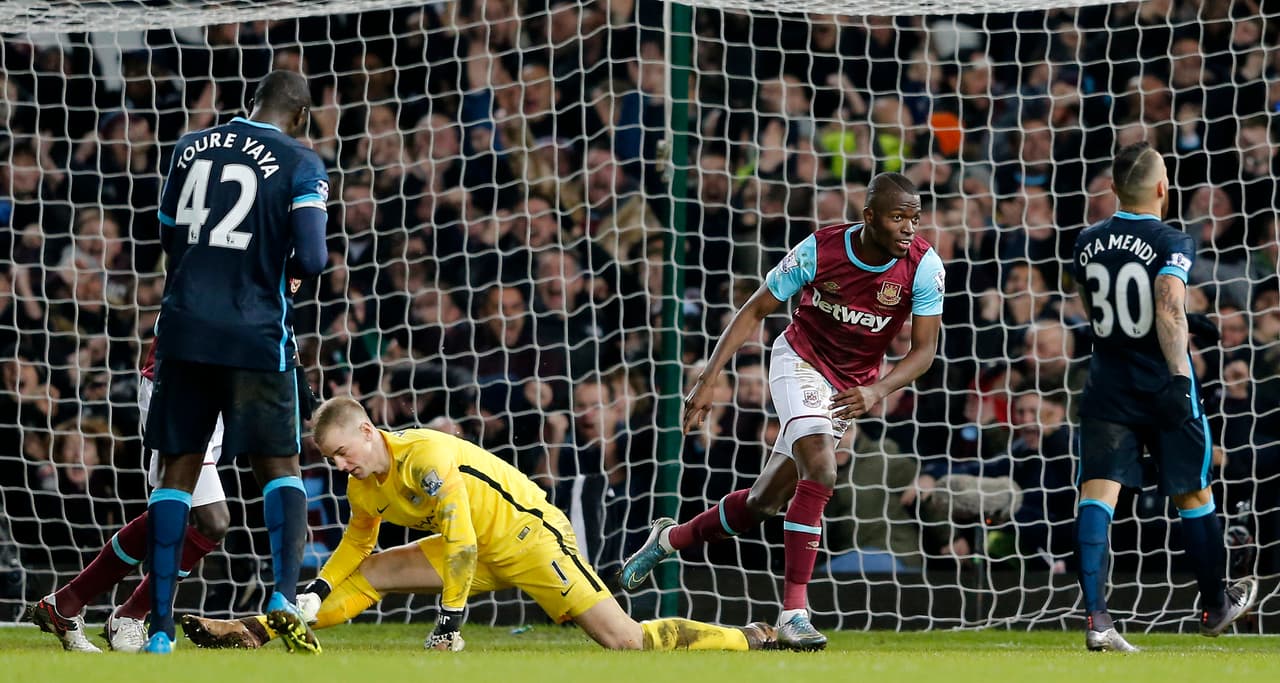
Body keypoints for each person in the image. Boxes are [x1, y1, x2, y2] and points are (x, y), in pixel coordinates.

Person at [620, 172, 945, 650]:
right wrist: (708, 379)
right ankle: (795, 613)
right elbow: (754, 309)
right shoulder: (820, 250)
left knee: (761, 503)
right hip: (800, 361)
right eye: (898, 218)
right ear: (869, 217)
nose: (909, 229)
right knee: (822, 466)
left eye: (915, 218)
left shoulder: (925, 266)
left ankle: (667, 540)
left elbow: (924, 350)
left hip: (851, 384)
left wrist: (878, 390)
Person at [179, 398, 777, 653]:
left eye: (343, 452)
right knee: (368, 572)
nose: (341, 465)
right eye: (332, 460)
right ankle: (258, 628)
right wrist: (314, 591)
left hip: (529, 540)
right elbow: (356, 542)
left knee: (625, 641)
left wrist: (449, 621)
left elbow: (462, 539)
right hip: (469, 550)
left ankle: (749, 637)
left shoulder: (427, 456)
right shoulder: (362, 482)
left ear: (368, 432)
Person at [141, 70, 329, 653]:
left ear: (251, 104)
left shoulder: (188, 147)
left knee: (179, 471)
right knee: (280, 464)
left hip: (184, 331)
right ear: (299, 115)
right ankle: (279, 594)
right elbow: (316, 257)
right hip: (254, 333)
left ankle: (161, 627)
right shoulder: (301, 162)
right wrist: (282, 270)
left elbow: (169, 236)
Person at [1070, 141, 1257, 652]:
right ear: (1162, 187)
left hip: (1108, 384)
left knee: (1098, 493)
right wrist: (1179, 377)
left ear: (1112, 189)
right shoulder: (1172, 239)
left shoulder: (1085, 241)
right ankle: (1216, 605)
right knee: (1194, 494)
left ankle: (1098, 620)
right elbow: (1169, 309)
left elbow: (1095, 312)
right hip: (1161, 383)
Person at [24, 338, 229, 653]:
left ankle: (66, 604)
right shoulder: (210, 291)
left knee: (188, 516)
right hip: (179, 385)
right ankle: (130, 613)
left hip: (218, 390)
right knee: (210, 519)